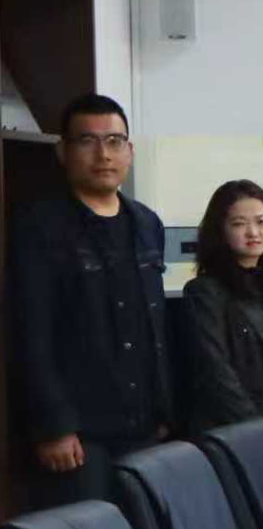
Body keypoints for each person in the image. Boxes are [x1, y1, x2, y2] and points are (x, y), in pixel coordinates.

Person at [8, 94, 172, 506]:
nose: (104, 154)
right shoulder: (39, 227)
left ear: (130, 151)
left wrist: (166, 410)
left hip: (146, 425)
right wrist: (53, 425)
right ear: (63, 151)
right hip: (80, 436)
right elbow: (30, 333)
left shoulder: (146, 223)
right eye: (88, 141)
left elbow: (155, 324)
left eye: (115, 141)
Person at [182, 180, 263, 433]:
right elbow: (215, 372)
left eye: (262, 222)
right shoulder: (204, 292)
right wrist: (258, 428)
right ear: (219, 231)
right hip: (231, 431)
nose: (253, 232)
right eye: (239, 224)